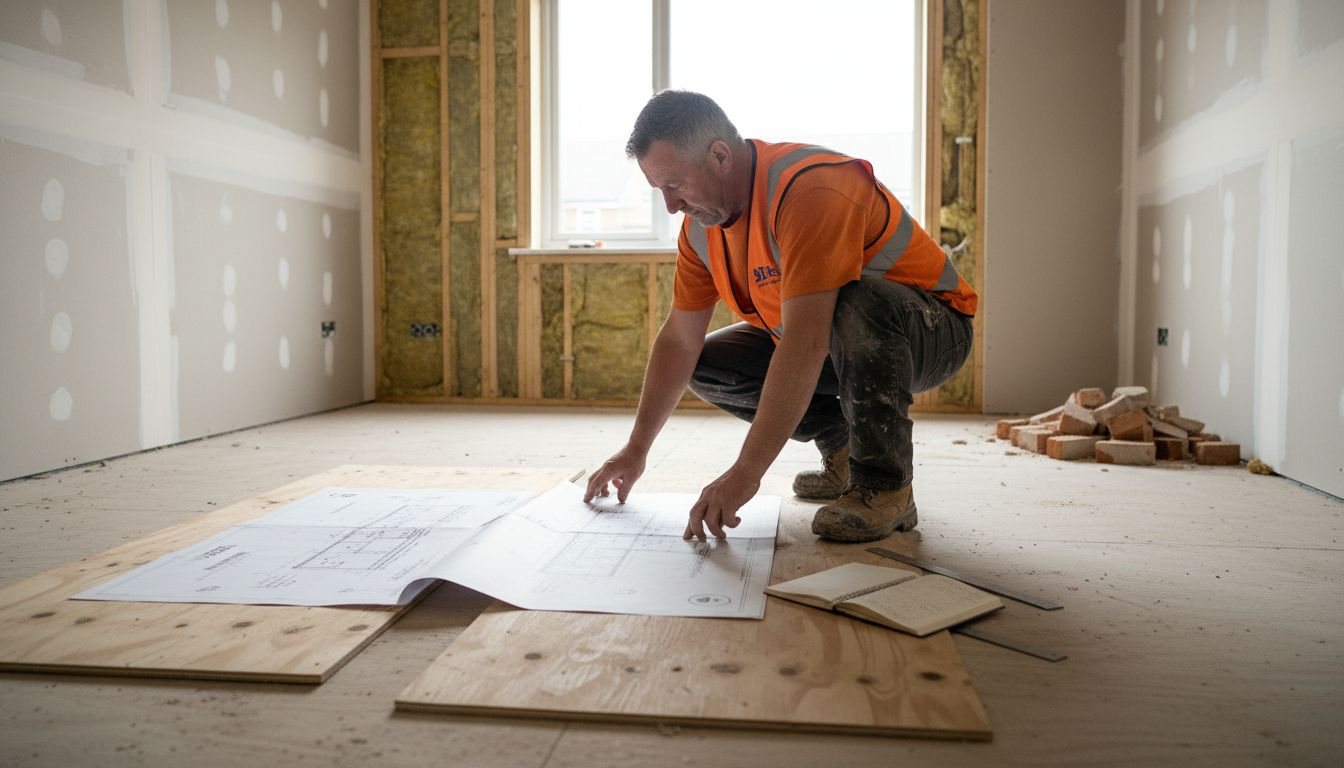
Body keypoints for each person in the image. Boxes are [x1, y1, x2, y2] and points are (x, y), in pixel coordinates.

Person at [583, 90, 977, 544]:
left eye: (675, 185)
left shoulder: (809, 188)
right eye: (660, 192)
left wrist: (745, 473)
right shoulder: (701, 230)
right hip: (836, 342)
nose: (671, 206)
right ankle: (845, 450)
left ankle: (884, 485)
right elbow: (679, 339)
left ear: (719, 156)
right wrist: (636, 450)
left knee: (857, 304)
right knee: (707, 363)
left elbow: (806, 343)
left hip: (932, 331)